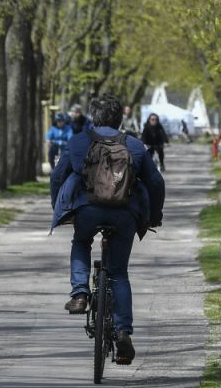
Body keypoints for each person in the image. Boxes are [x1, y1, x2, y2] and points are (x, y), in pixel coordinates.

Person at [50, 94, 165, 366]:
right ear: (120, 118)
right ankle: (123, 331)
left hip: (87, 210)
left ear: (93, 116)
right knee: (118, 273)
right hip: (125, 213)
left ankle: (79, 294)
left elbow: (58, 176)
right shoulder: (134, 146)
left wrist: (59, 207)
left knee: (81, 242)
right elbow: (156, 182)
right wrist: (155, 215)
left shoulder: (78, 142)